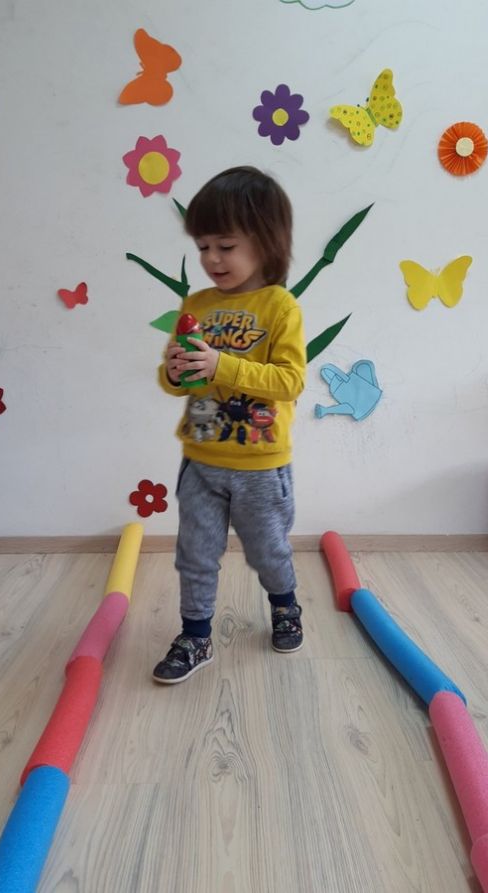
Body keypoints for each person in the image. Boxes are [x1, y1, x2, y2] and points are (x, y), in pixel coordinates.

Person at [153, 166, 307, 684]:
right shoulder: (196, 305)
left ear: (265, 242)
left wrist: (223, 366)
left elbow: (290, 381)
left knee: (268, 553)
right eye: (203, 247)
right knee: (194, 554)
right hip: (201, 460)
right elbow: (179, 382)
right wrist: (174, 372)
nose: (211, 259)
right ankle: (195, 635)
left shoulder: (280, 306)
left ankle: (284, 605)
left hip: (260, 465)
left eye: (225, 246)